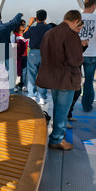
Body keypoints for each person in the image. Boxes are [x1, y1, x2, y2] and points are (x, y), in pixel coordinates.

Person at [37, 10, 84, 150]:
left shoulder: (49, 33)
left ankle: (56, 136)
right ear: (76, 21)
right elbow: (75, 61)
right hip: (66, 78)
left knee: (58, 107)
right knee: (62, 110)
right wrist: (82, 48)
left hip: (53, 77)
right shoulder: (71, 35)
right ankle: (57, 139)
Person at [0, 10, 23, 91]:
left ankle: (1, 93)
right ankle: (11, 93)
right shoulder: (6, 27)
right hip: (7, 53)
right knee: (10, 74)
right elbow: (14, 22)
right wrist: (19, 14)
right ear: (1, 17)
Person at [23, 10, 52, 105]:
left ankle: (32, 95)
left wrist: (29, 24)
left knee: (31, 74)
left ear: (36, 17)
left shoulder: (32, 29)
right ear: (45, 18)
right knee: (43, 75)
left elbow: (24, 35)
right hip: (45, 52)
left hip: (33, 53)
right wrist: (44, 23)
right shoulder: (49, 28)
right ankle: (42, 97)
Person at [11, 20, 28, 92]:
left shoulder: (26, 35)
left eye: (24, 24)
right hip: (17, 57)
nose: (23, 26)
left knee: (24, 71)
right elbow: (10, 45)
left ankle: (22, 84)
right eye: (22, 25)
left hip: (24, 55)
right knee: (16, 70)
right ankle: (15, 85)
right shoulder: (14, 36)